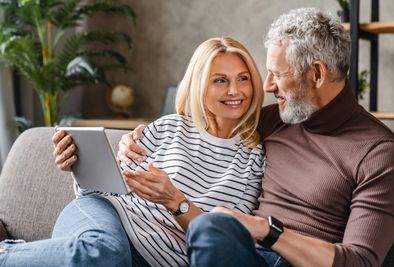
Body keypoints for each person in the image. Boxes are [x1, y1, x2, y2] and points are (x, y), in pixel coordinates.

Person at [123, 8, 394, 267]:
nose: (266, 86)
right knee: (210, 229)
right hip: (242, 253)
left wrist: (268, 230)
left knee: (210, 227)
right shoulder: (276, 118)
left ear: (316, 73)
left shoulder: (379, 153)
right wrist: (135, 139)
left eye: (277, 74)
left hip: (295, 260)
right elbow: (207, 119)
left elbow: (361, 260)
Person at [0, 37, 265, 267]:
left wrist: (176, 201)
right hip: (105, 214)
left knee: (109, 258)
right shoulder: (169, 126)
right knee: (104, 254)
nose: (235, 91)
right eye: (220, 80)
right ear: (199, 86)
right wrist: (79, 164)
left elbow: (224, 238)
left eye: (243, 78)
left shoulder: (254, 158)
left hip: (151, 258)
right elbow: (107, 186)